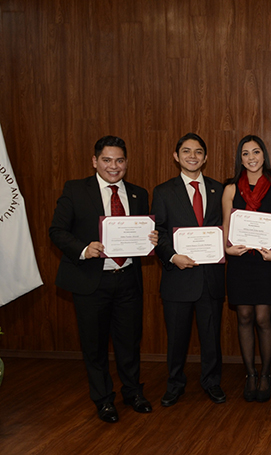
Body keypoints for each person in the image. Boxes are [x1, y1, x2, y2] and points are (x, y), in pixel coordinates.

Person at [49, 135, 156, 423]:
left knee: (129, 342)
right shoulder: (75, 190)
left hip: (128, 280)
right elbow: (57, 231)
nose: (113, 166)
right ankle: (104, 400)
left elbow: (140, 234)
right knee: (94, 346)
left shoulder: (138, 194)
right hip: (91, 281)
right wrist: (84, 249)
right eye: (107, 160)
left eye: (119, 160)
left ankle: (133, 392)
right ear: (95, 161)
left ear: (126, 163)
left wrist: (151, 239)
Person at [151, 132, 226, 406]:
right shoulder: (163, 191)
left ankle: (211, 381)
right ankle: (174, 384)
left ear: (205, 158)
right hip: (178, 276)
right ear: (176, 156)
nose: (192, 156)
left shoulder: (219, 190)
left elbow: (225, 229)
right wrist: (172, 257)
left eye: (197, 152)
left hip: (210, 278)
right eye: (186, 151)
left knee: (211, 337)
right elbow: (157, 231)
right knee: (177, 338)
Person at [222, 135, 271, 403]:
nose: (251, 158)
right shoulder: (230, 189)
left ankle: (266, 374)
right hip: (240, 261)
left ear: (264, 156)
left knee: (263, 318)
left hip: (267, 262)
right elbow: (226, 224)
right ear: (240, 159)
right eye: (246, 153)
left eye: (256, 152)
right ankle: (250, 373)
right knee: (244, 317)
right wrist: (227, 248)